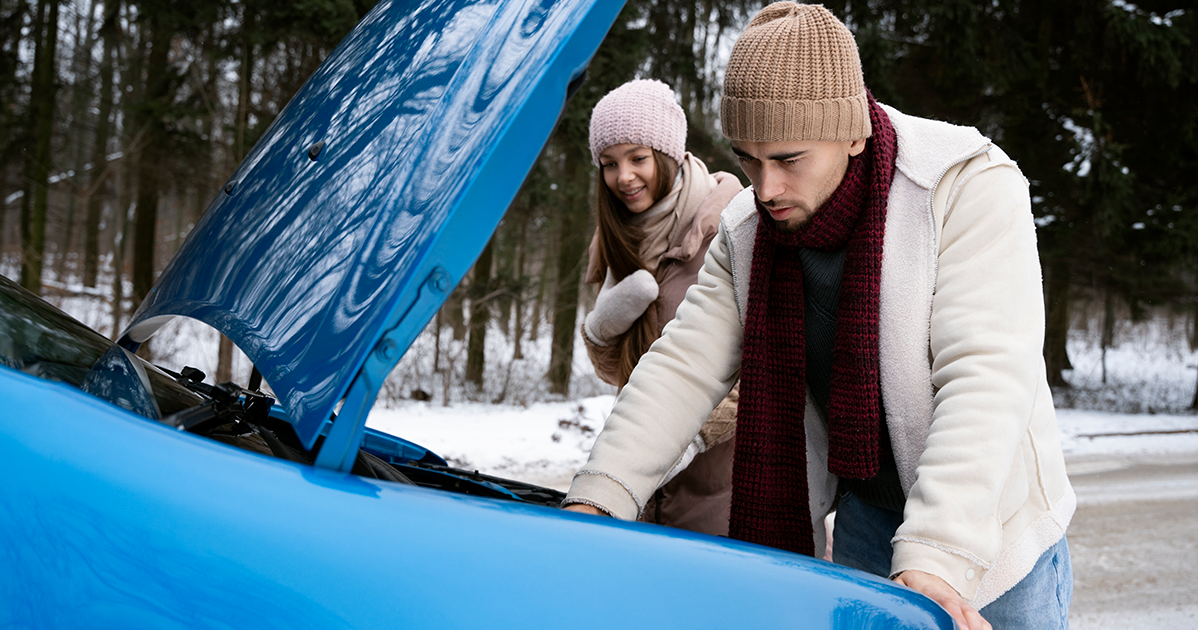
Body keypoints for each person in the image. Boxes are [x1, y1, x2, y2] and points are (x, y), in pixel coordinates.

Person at [562, 5, 1074, 630]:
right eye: (748, 160)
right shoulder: (749, 230)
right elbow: (681, 366)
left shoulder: (964, 185)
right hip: (866, 520)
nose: (766, 187)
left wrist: (937, 556)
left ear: (852, 133)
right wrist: (601, 495)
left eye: (788, 158)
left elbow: (985, 376)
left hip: (986, 533)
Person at [579, 79, 743, 536]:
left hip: (716, 487)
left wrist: (680, 437)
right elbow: (617, 374)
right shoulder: (616, 241)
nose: (623, 177)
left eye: (637, 158)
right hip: (642, 484)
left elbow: (755, 368)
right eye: (609, 164)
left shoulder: (727, 233)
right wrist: (600, 333)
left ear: (667, 155)